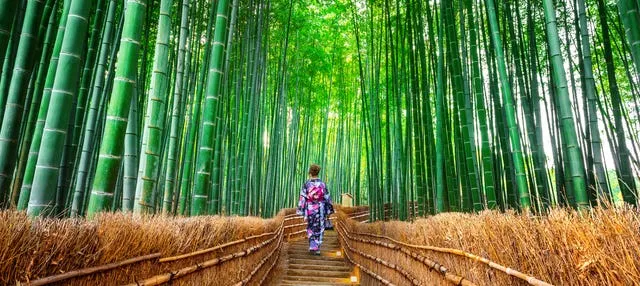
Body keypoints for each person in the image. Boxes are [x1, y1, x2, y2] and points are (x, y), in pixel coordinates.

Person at [296, 164, 334, 255]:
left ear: (310, 172)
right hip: (320, 209)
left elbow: (303, 198)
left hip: (310, 209)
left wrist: (301, 210)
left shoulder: (307, 184)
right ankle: (317, 248)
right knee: (320, 227)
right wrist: (329, 210)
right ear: (318, 172)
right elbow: (327, 197)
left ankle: (312, 245)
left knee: (311, 226)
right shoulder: (322, 184)